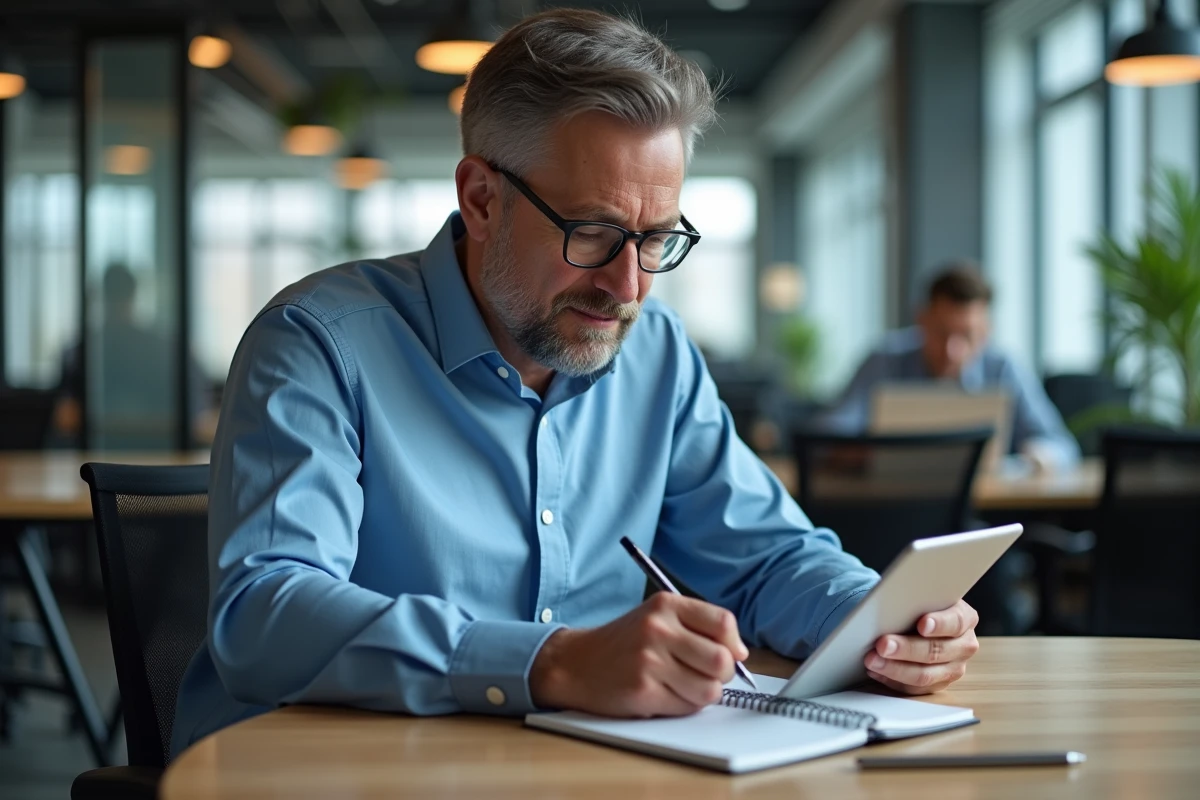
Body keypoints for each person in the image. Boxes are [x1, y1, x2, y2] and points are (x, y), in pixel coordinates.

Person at [171, 8, 981, 755]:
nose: (627, 287)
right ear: (481, 198)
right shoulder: (319, 344)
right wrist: (553, 663)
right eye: (593, 234)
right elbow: (264, 615)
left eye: (657, 239)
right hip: (328, 770)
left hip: (574, 766)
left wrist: (876, 621)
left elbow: (765, 559)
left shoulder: (656, 352)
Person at [816, 263, 1080, 472]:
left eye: (968, 336)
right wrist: (871, 452)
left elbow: (1062, 446)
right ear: (921, 320)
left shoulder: (1002, 367)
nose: (952, 350)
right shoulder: (884, 359)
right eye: (942, 333)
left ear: (987, 331)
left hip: (983, 512)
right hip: (892, 506)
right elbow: (827, 436)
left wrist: (1037, 457)